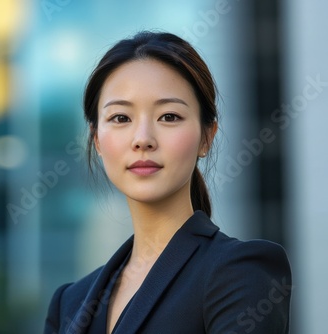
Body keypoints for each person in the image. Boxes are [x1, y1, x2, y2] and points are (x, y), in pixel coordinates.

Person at [44, 31, 292, 334]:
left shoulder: (241, 272)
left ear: (206, 137)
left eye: (169, 116)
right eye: (121, 118)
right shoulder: (70, 303)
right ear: (96, 139)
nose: (143, 139)